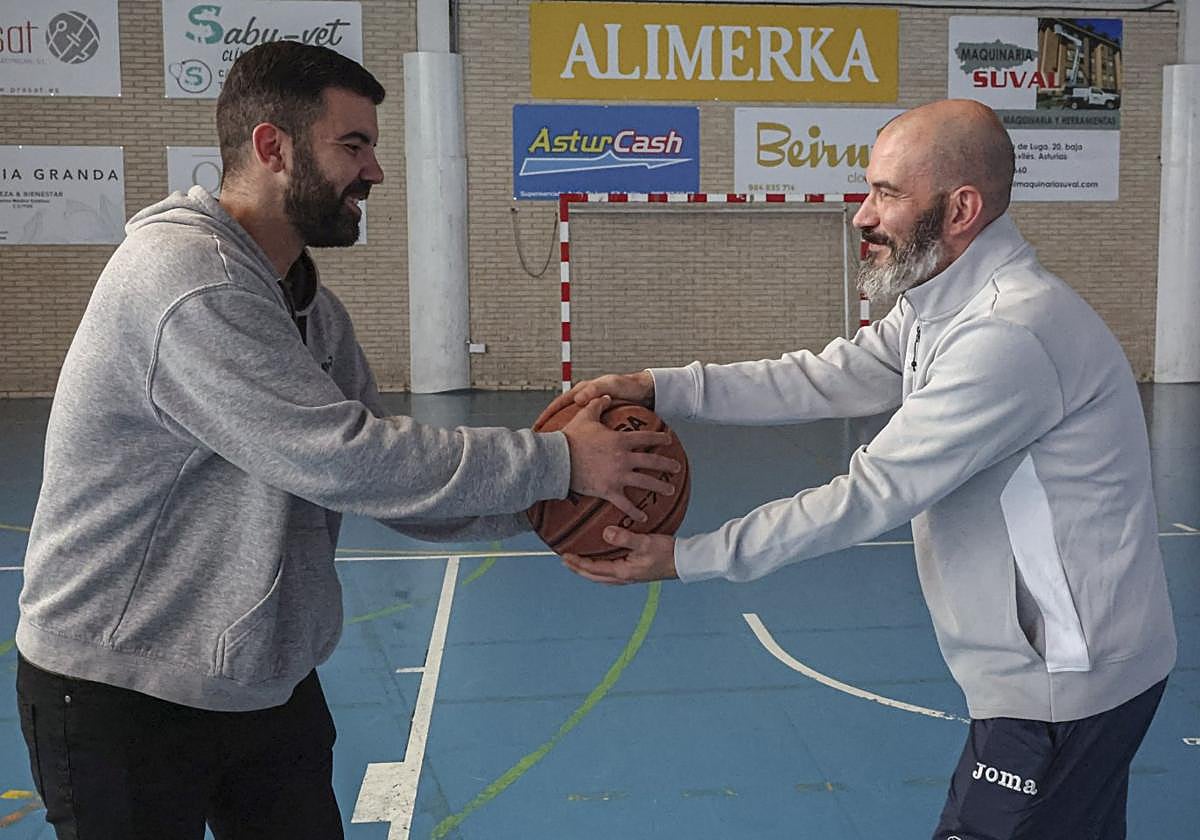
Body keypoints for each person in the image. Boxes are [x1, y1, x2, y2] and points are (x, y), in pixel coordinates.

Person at [14, 41, 680, 840]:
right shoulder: (187, 282)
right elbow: (343, 456)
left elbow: (390, 476)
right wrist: (561, 460)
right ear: (273, 147)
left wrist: (555, 505)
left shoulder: (308, 308)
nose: (376, 173)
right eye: (354, 145)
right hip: (122, 689)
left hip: (258, 676)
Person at [551, 99, 1176, 839]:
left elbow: (869, 495)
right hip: (1070, 669)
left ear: (961, 208)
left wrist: (688, 557)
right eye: (868, 189)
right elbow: (829, 375)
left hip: (1060, 685)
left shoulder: (1008, 334)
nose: (862, 215)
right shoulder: (942, 301)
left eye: (887, 193)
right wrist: (664, 385)